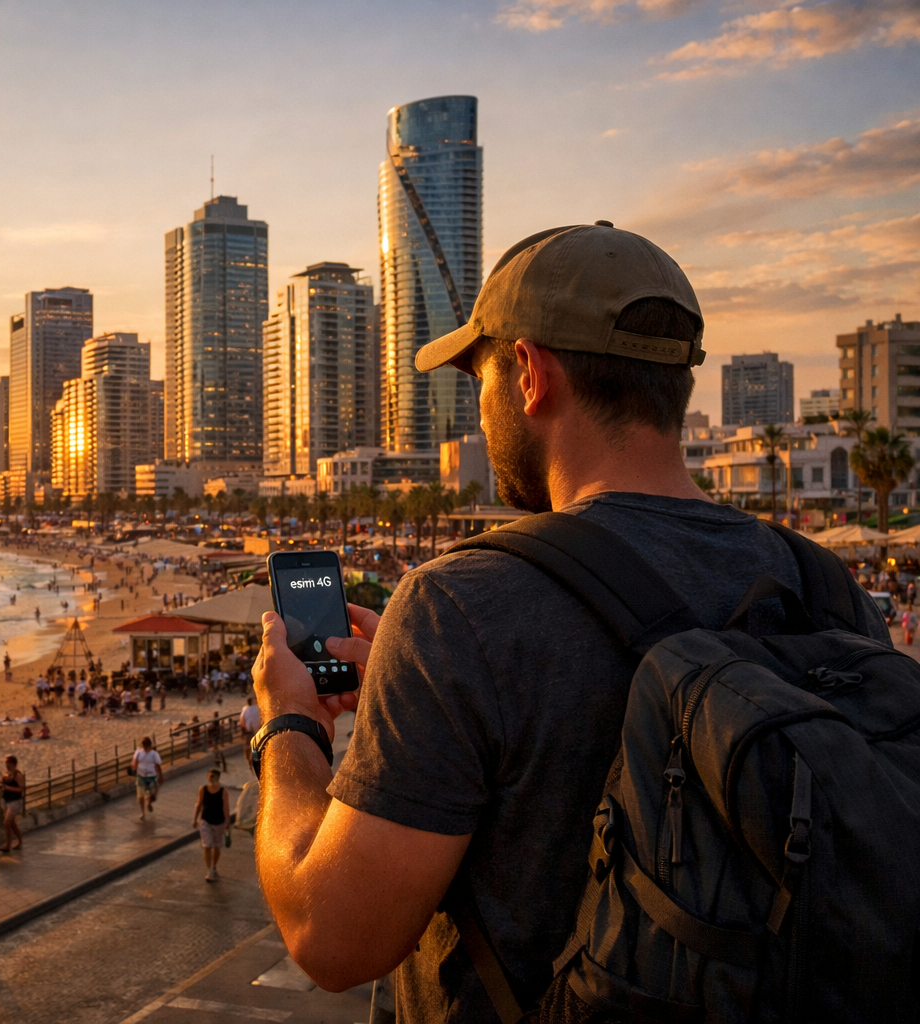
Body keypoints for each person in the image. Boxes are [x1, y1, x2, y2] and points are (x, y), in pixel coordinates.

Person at [248, 222, 891, 1020]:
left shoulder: (459, 608)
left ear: (527, 373)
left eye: (476, 380)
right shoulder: (826, 587)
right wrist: (417, 693)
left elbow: (331, 936)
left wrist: (289, 730)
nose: (477, 412)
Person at [192, 769, 231, 882]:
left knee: (217, 846)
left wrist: (227, 822)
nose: (210, 778)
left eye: (212, 776)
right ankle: (209, 870)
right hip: (205, 821)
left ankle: (214, 867)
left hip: (219, 822)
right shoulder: (203, 789)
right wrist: (195, 819)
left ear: (217, 778)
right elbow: (198, 804)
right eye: (209, 776)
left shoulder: (223, 791)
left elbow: (226, 808)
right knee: (207, 845)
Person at [0, 755, 25, 854]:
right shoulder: (7, 775)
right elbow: (4, 785)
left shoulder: (18, 775)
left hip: (14, 801)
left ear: (12, 763)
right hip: (6, 800)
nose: (6, 765)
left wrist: (8, 788)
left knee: (6, 822)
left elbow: (21, 789)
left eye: (7, 763)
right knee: (11, 822)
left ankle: (8, 844)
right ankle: (20, 841)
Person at [132, 736, 163, 820]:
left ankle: (149, 802)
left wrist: (160, 776)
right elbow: (134, 761)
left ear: (149, 745)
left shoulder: (154, 754)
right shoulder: (138, 752)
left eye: (145, 744)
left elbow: (158, 764)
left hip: (151, 777)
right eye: (143, 744)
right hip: (141, 777)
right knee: (140, 796)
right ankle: (142, 812)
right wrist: (134, 765)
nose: (144, 746)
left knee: (153, 796)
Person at [239, 696, 262, 776]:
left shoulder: (245, 710)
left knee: (248, 748)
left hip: (248, 732)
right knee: (257, 748)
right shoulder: (257, 708)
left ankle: (250, 764)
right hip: (258, 731)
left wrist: (242, 732)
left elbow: (242, 721)